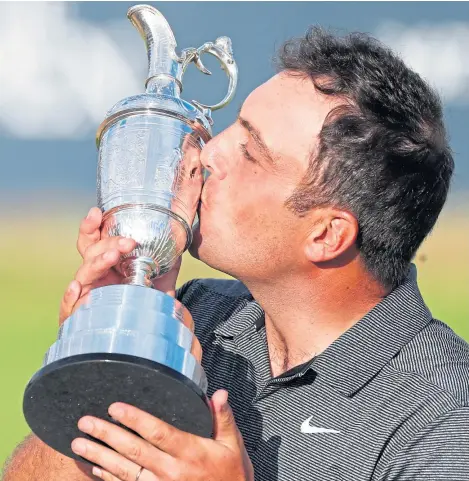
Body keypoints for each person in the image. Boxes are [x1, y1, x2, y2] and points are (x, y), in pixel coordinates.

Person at [3, 27, 469, 481]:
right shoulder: (197, 316)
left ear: (327, 235)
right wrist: (109, 351)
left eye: (252, 152)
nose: (206, 154)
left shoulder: (442, 422)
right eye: (233, 128)